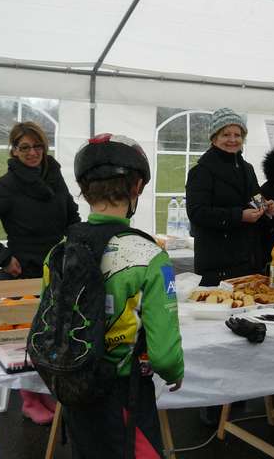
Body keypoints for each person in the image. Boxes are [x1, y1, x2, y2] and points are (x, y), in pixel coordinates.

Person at [59, 133, 184, 458]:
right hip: (125, 394)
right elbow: (164, 356)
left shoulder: (59, 251)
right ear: (137, 187)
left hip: (75, 390)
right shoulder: (150, 256)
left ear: (83, 189)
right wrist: (175, 372)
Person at [0, 121, 80, 425]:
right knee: (26, 339)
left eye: (37, 146)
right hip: (22, 275)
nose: (32, 153)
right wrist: (2, 258)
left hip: (55, 270)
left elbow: (72, 216)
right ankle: (29, 401)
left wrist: (78, 245)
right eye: (24, 147)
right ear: (14, 150)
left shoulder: (54, 176)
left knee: (54, 337)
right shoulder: (8, 185)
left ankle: (46, 392)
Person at [186, 108, 274, 286]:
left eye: (238, 135)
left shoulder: (247, 169)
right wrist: (239, 215)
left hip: (248, 260)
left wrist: (267, 208)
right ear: (214, 138)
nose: (233, 140)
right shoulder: (201, 171)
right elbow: (197, 212)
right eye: (226, 134)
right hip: (216, 263)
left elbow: (256, 198)